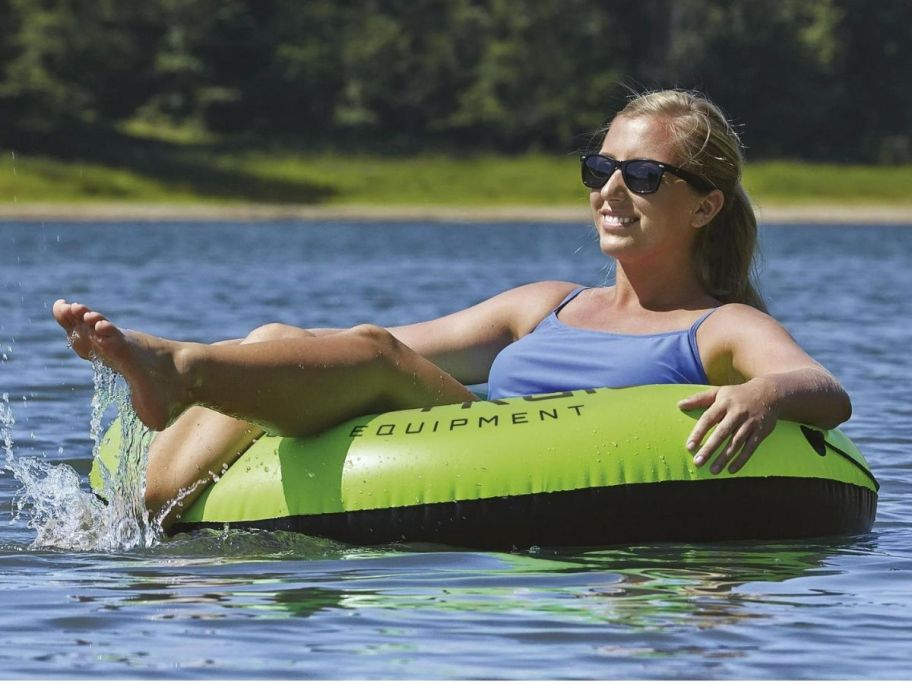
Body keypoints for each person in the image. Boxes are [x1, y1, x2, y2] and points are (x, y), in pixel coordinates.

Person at [53, 89, 851, 531]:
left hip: (549, 472)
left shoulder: (716, 325)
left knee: (367, 352)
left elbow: (818, 387)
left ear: (705, 207)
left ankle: (180, 368)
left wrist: (760, 394)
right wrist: (286, 355)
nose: (609, 191)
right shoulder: (542, 306)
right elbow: (376, 350)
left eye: (641, 175)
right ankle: (152, 488)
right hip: (460, 437)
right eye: (598, 167)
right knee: (280, 338)